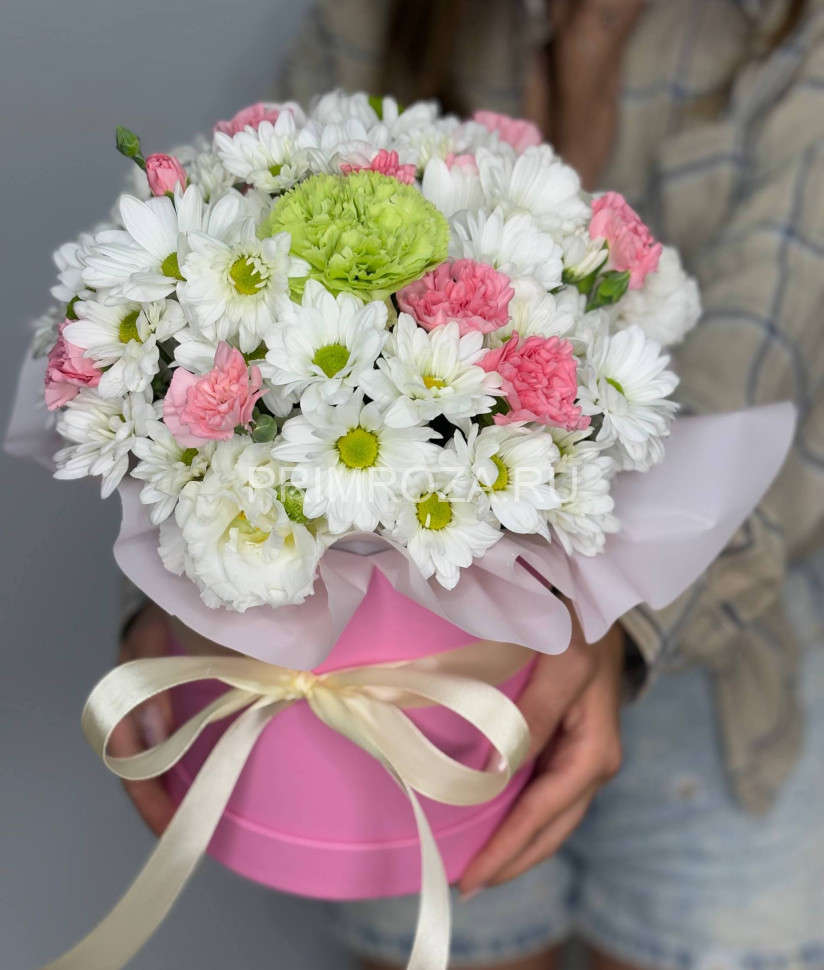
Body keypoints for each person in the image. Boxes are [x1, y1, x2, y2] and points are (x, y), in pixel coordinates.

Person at [117, 1, 824, 968]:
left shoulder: (798, 35)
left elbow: (759, 360)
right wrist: (167, 609)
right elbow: (215, 326)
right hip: (401, 669)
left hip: (721, 666)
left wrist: (598, 626)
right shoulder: (383, 15)